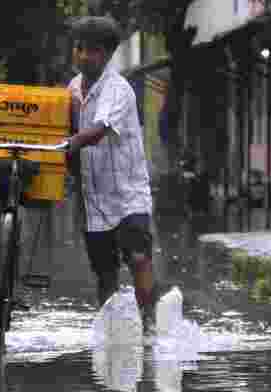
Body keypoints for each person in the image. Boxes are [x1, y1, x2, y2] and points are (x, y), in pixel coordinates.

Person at [64, 15, 159, 333]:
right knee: (105, 272)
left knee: (138, 258)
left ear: (105, 54)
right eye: (78, 48)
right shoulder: (73, 89)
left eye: (90, 50)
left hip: (128, 195)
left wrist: (70, 143)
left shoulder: (118, 89)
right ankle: (109, 332)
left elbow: (98, 130)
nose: (82, 56)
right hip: (94, 200)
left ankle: (149, 327)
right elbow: (63, 123)